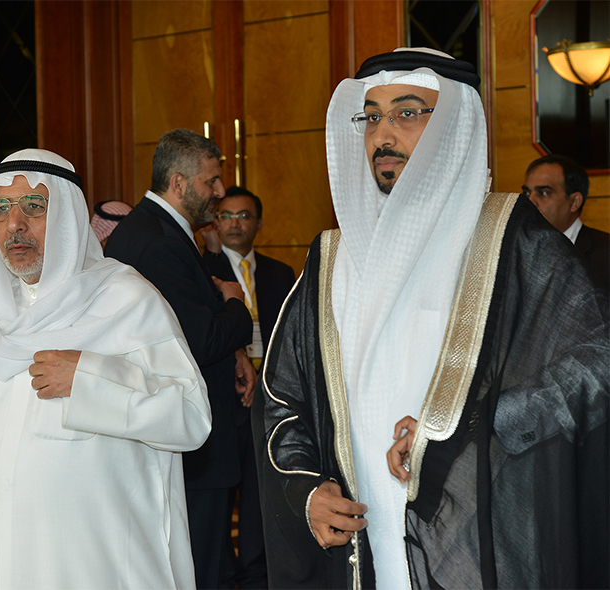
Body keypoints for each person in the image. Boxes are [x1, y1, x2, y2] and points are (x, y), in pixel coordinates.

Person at [256, 48, 608, 589]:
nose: (382, 134)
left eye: (406, 112)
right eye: (372, 116)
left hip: (476, 537)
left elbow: (594, 364)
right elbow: (282, 397)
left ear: (453, 126)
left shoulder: (512, 240)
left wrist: (461, 427)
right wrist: (306, 492)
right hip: (359, 545)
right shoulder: (331, 259)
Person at [0, 149, 212, 589]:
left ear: (67, 216)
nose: (14, 224)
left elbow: (191, 418)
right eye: (1, 209)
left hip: (99, 563)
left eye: (34, 206)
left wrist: (90, 379)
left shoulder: (127, 300)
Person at [105, 128, 256, 589]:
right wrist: (238, 305)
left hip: (174, 438)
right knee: (199, 570)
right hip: (191, 446)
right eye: (211, 181)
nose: (219, 191)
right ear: (178, 183)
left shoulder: (155, 229)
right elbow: (200, 340)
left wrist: (234, 349)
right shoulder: (160, 242)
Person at [201, 185, 295, 589]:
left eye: (243, 216)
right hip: (221, 400)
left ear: (259, 224)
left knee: (260, 498)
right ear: (215, 222)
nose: (235, 223)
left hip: (268, 401)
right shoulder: (205, 270)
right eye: (226, 215)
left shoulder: (281, 273)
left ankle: (258, 576)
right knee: (218, 500)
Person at [522, 154, 609, 291]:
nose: (529, 202)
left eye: (543, 193)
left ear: (574, 202)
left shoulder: (606, 253)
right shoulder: (515, 248)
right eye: (527, 193)